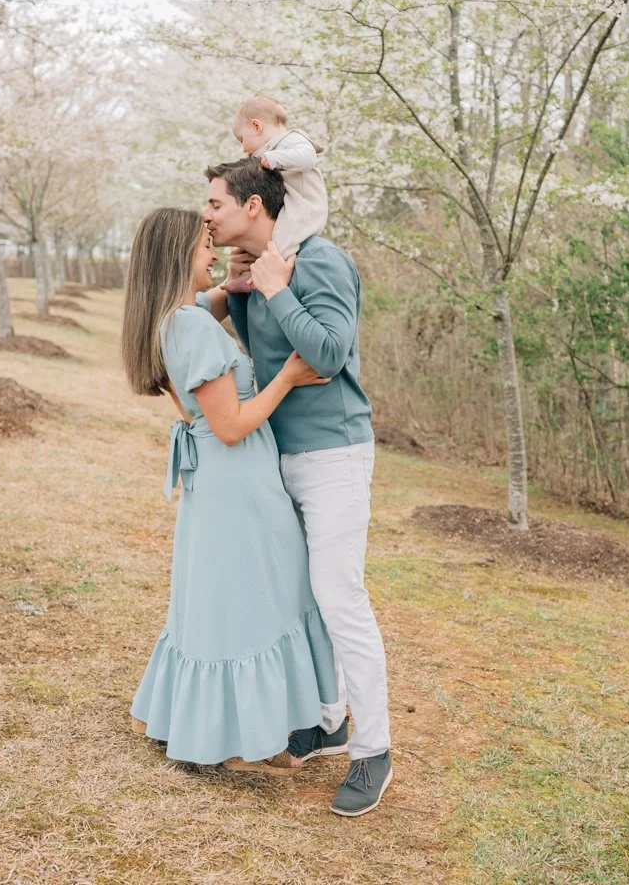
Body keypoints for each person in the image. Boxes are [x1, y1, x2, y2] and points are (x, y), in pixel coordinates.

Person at [204, 158, 392, 817]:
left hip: (335, 454)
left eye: (217, 203)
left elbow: (331, 354)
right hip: (275, 458)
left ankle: (374, 750)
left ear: (255, 206)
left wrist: (280, 289)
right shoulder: (249, 278)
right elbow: (200, 339)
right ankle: (328, 721)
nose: (207, 214)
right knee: (300, 600)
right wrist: (235, 292)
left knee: (339, 597)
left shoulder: (321, 262)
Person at [121, 207, 338, 769]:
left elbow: (209, 302)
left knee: (224, 599)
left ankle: (230, 724)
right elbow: (232, 425)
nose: (212, 255)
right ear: (176, 259)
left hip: (215, 481)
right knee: (262, 598)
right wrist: (288, 376)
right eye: (202, 248)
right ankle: (249, 737)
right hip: (237, 479)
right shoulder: (190, 327)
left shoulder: (171, 317)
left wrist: (238, 285)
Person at [225, 95, 327, 292]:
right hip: (292, 204)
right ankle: (250, 273)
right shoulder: (275, 148)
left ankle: (260, 279)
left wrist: (274, 158)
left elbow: (308, 157)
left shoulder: (292, 139)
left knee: (278, 245)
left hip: (306, 208)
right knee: (266, 240)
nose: (243, 148)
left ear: (256, 126)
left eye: (242, 139)